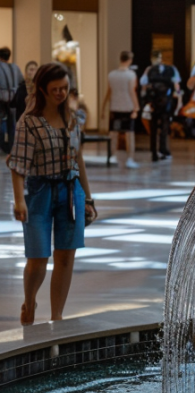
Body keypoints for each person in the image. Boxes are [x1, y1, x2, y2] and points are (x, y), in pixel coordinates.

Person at [7, 63, 97, 325]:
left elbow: (78, 160)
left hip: (71, 192)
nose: (60, 93)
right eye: (55, 89)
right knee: (37, 258)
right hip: (40, 192)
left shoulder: (73, 119)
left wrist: (88, 198)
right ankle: (30, 299)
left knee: (66, 255)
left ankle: (57, 316)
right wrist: (19, 200)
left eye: (65, 89)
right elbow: (17, 163)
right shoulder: (30, 122)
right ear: (43, 91)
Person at [140, 51, 181, 162]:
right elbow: (176, 85)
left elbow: (144, 85)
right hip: (161, 101)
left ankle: (158, 151)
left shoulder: (153, 70)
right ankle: (159, 151)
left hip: (159, 101)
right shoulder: (165, 69)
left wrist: (145, 99)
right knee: (162, 127)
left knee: (159, 127)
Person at [102, 50, 140, 169]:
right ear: (130, 60)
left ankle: (113, 155)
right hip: (127, 107)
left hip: (115, 107)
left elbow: (109, 92)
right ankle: (130, 158)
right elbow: (132, 91)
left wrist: (103, 108)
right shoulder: (131, 75)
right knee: (129, 134)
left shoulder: (111, 75)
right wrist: (136, 107)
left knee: (114, 133)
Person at [0, 47, 24, 154]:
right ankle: (11, 148)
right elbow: (22, 82)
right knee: (13, 124)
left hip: (1, 99)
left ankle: (3, 147)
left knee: (1, 122)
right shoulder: (15, 67)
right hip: (14, 98)